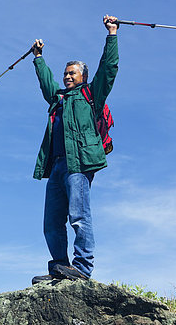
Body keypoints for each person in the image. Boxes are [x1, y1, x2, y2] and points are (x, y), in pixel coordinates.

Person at [31, 15, 119, 283]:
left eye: (73, 73)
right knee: (51, 222)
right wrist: (38, 58)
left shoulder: (91, 94)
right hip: (56, 165)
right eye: (65, 73)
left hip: (78, 164)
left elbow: (109, 68)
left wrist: (112, 36)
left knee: (79, 216)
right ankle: (60, 267)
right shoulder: (58, 99)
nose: (67, 76)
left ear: (83, 77)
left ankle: (82, 268)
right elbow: (47, 83)